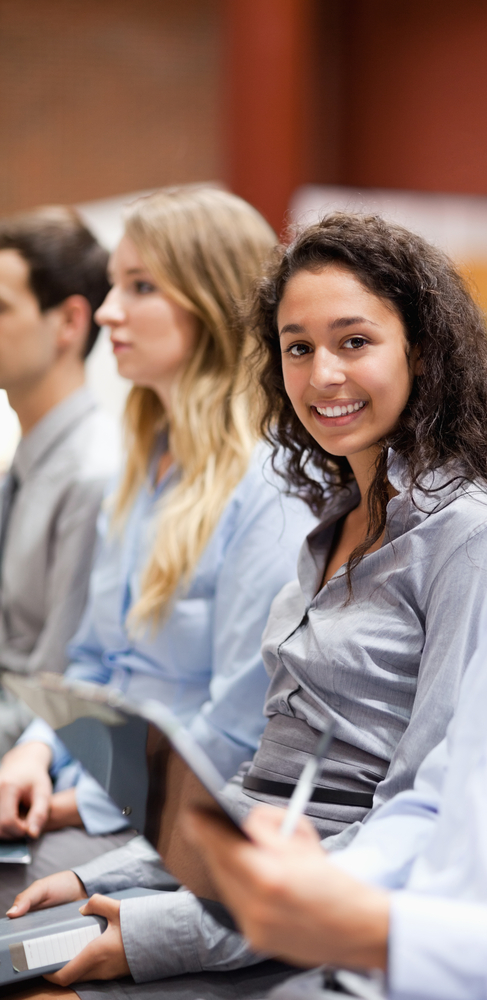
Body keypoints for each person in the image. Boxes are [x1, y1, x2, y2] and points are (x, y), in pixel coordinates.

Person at [173, 105, 487, 1000]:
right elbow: (437, 799)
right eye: (298, 347)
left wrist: (378, 928)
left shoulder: (485, 534)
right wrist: (319, 894)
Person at [8, 213, 487, 998]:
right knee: (27, 940)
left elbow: (415, 818)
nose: (322, 373)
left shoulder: (470, 535)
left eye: (353, 342)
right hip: (245, 877)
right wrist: (112, 876)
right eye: (298, 347)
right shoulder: (332, 517)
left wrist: (166, 928)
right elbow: (260, 789)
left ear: (421, 350)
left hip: (332, 909)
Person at [0, 187, 313, 906]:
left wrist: (83, 804)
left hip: (167, 823)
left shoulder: (269, 484)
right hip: (88, 793)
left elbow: (239, 721)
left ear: (212, 302)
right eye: (114, 284)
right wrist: (34, 751)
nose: (108, 311)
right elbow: (88, 662)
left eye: (139, 287)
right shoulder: (146, 463)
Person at [0, 207, 119, 757]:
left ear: (70, 322)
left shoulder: (96, 473)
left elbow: (56, 689)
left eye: (1, 308)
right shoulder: (25, 465)